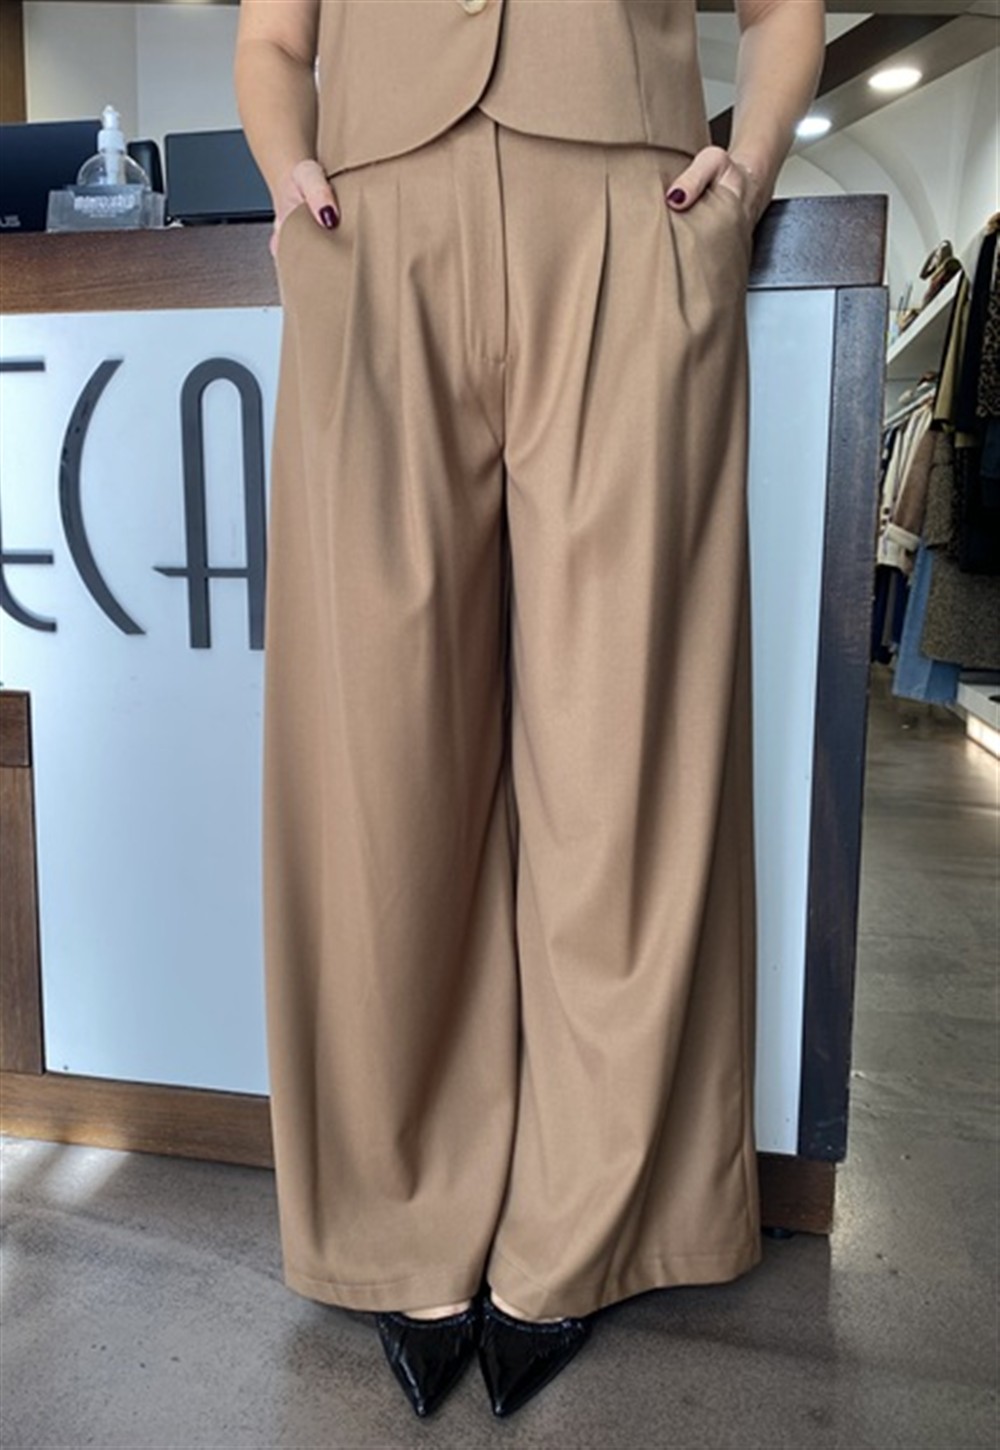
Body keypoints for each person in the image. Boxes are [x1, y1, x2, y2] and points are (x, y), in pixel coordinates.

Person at [234, 0, 825, 1421]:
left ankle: (587, 1221)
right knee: (379, 757)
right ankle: (397, 1213)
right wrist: (289, 175)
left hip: (628, 208)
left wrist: (744, 173)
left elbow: (782, 10)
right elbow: (272, 42)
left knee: (625, 748)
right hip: (373, 224)